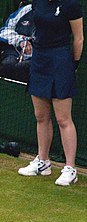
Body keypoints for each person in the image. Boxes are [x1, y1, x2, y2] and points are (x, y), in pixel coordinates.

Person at [18, 0, 84, 186]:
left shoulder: (71, 4)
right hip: (40, 60)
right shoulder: (37, 2)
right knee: (40, 115)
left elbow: (78, 38)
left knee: (63, 119)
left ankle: (70, 168)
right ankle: (42, 162)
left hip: (61, 60)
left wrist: (74, 64)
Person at [0, 3, 33, 82]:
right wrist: (20, 41)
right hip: (14, 51)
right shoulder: (25, 10)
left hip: (39, 56)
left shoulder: (56, 13)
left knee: (24, 67)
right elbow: (4, 31)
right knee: (8, 65)